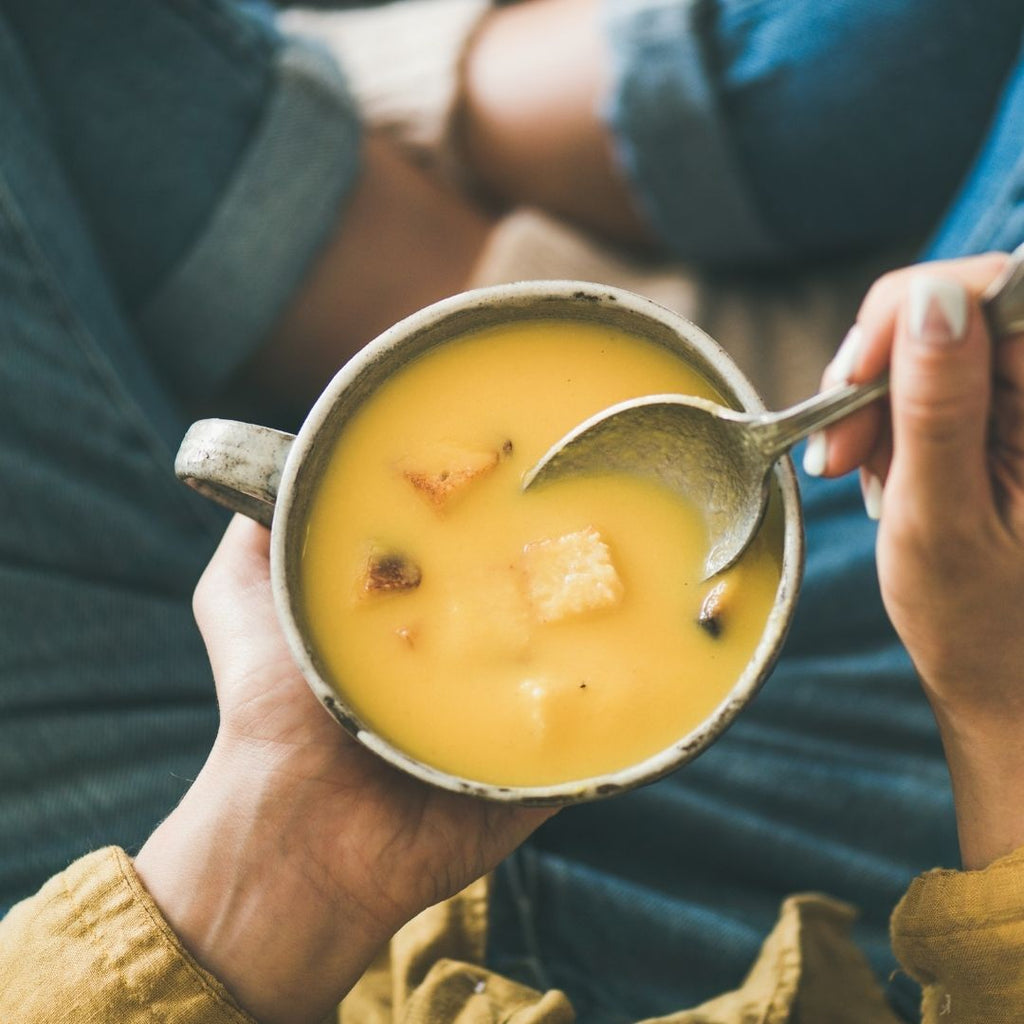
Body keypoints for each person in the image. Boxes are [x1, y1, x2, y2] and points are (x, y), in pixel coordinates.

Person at [1, 0, 1024, 1021]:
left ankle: (443, 233)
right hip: (775, 908)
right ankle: (441, 194)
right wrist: (1001, 711)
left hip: (216, 851)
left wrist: (276, 842)